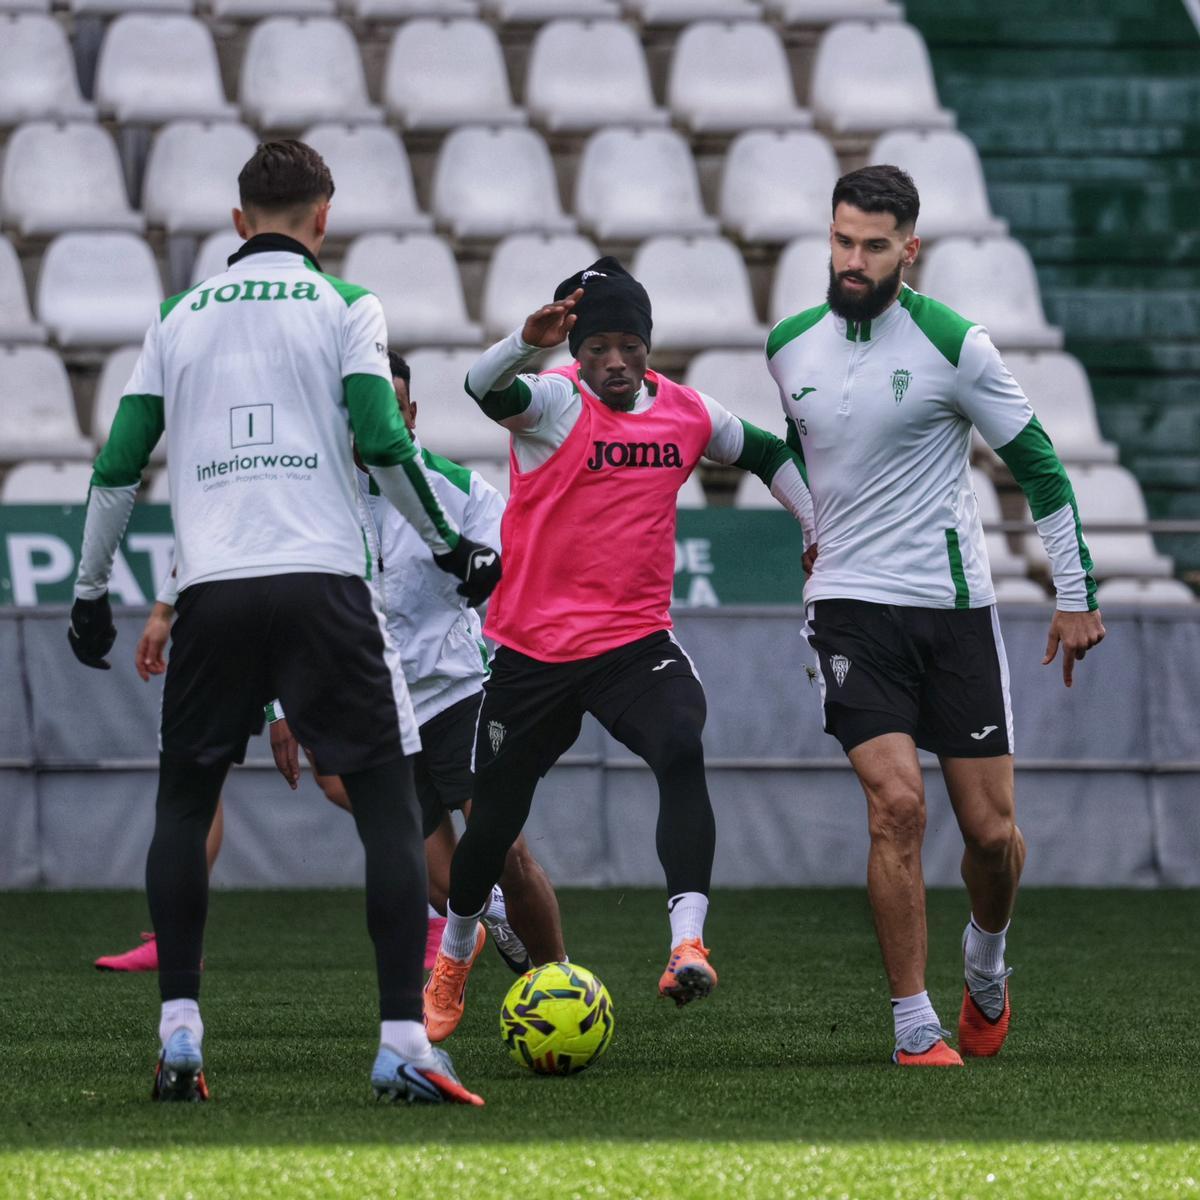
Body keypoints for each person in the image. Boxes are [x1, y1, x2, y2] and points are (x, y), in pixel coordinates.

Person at [66, 139, 500, 1105]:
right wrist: (451, 548)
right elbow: (382, 439)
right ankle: (402, 1045)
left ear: (237, 221)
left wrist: (91, 592)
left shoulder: (176, 316)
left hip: (213, 588)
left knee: (185, 805)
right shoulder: (348, 306)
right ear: (324, 218)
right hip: (323, 584)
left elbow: (117, 463)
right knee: (389, 807)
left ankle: (180, 1032)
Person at [422, 257, 815, 1042]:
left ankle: (687, 945)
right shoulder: (553, 402)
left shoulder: (686, 412)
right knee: (492, 824)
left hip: (633, 644)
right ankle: (456, 958)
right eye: (597, 346)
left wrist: (816, 528)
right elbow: (483, 388)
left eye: (628, 346)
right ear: (577, 352)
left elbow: (767, 453)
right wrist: (524, 342)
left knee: (680, 744)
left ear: (647, 347)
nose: (614, 361)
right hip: (533, 652)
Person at [765, 165, 1106, 1066]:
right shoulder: (788, 347)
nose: (853, 260)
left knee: (991, 837)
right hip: (848, 608)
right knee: (897, 807)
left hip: (953, 612)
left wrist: (1075, 593)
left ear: (908, 250)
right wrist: (812, 528)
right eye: (842, 241)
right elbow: (805, 453)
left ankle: (985, 959)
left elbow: (1040, 467)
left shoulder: (957, 344)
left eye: (874, 246)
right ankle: (914, 1024)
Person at [267, 350, 565, 973]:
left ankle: (559, 978)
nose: (381, 423)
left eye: (395, 410)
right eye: (365, 410)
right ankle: (487, 915)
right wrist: (278, 705)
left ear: (412, 414)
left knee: (506, 852)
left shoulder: (460, 490)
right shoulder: (308, 496)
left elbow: (517, 580)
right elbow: (284, 606)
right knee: (427, 870)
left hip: (457, 694)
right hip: (375, 709)